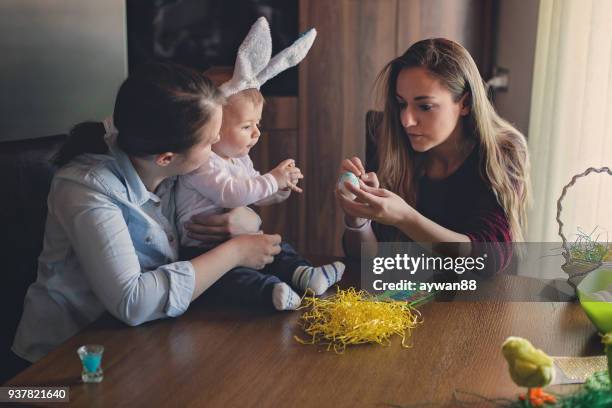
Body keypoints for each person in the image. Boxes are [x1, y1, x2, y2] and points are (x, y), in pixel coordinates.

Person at [12, 62, 281, 364]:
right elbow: (133, 301)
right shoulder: (85, 190)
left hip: (139, 346)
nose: (217, 143)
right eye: (210, 140)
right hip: (59, 364)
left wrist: (247, 216)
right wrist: (236, 252)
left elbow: (231, 196)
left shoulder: (160, 147)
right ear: (167, 158)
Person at [175, 18, 344, 311]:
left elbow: (252, 190)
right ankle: (271, 293)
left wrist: (279, 189)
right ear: (211, 127)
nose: (256, 133)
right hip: (201, 250)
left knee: (275, 247)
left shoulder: (238, 158)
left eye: (258, 124)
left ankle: (305, 275)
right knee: (232, 279)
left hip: (236, 237)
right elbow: (233, 194)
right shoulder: (202, 163)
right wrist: (272, 179)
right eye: (246, 126)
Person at [337, 38, 530, 270]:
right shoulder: (390, 139)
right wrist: (358, 218)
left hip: (474, 300)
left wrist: (405, 217)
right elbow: (366, 262)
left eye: (425, 106)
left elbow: (487, 259)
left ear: (465, 104)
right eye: (401, 104)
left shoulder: (502, 152)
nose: (406, 120)